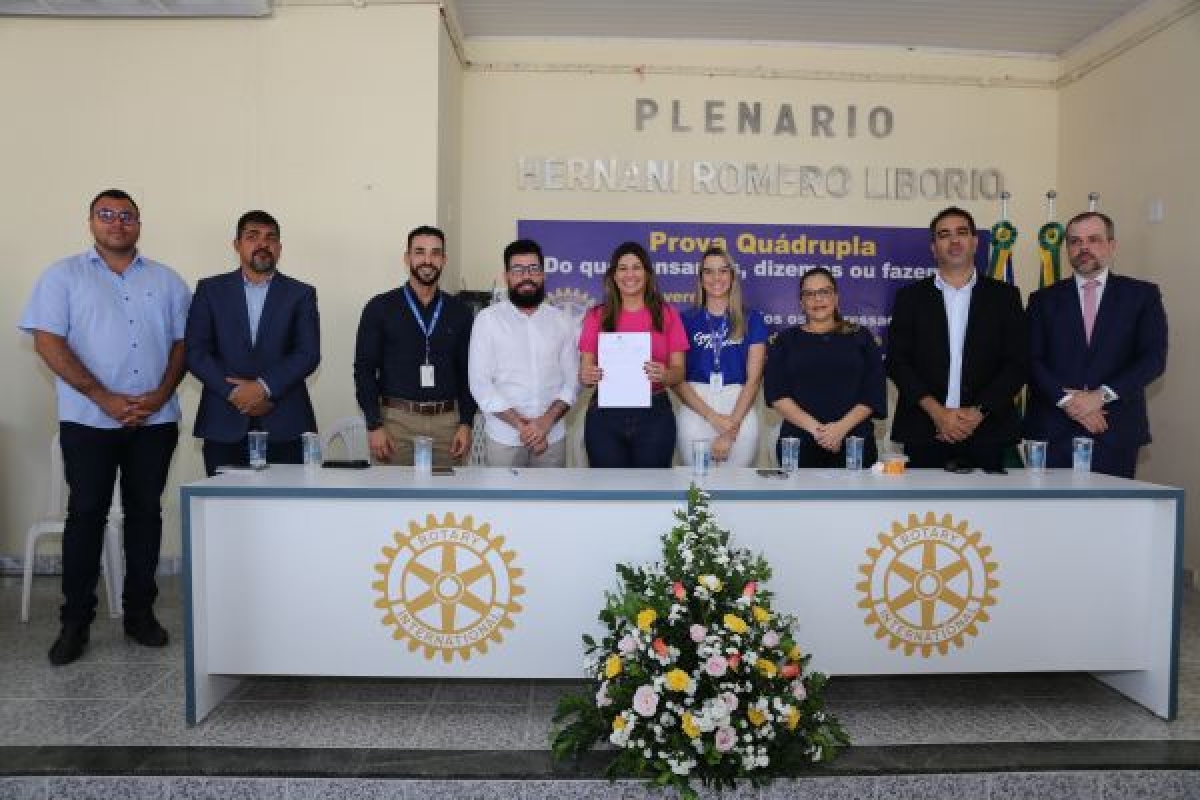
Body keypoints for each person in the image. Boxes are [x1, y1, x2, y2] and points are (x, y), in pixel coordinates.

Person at [19, 189, 191, 665]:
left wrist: (158, 395)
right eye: (107, 215)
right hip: (89, 420)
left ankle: (140, 614)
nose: (117, 223)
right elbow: (48, 344)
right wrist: (103, 397)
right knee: (87, 515)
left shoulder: (168, 280)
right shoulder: (63, 276)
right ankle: (75, 623)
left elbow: (183, 345)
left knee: (145, 515)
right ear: (91, 222)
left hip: (155, 421)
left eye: (127, 216)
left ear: (139, 223)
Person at [1024, 211, 1167, 478]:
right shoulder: (1042, 300)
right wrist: (1069, 402)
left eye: (1094, 239)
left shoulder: (1142, 296)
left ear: (1112, 245)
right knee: (1049, 518)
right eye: (1075, 241)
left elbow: (1153, 359)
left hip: (1114, 431)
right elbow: (1031, 360)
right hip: (1052, 433)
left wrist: (1099, 397)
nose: (1084, 248)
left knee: (1110, 516)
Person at [886, 207, 1028, 472]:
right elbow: (897, 361)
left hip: (987, 431)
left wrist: (976, 413)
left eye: (962, 233)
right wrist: (938, 413)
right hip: (924, 430)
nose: (954, 241)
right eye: (944, 235)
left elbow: (1017, 363)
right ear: (933, 247)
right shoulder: (910, 298)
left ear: (975, 242)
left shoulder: (1004, 297)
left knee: (988, 513)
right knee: (924, 513)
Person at [185, 211, 320, 476]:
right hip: (223, 422)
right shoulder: (210, 290)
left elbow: (307, 353)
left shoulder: (301, 293)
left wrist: (264, 388)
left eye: (271, 238)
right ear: (237, 244)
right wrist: (236, 393)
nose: (263, 243)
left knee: (285, 512)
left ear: (279, 248)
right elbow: (196, 352)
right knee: (224, 512)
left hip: (285, 422)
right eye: (252, 236)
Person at [354, 225, 476, 468]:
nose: (427, 260)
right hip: (395, 425)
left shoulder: (459, 311)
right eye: (419, 252)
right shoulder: (380, 308)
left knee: (445, 502)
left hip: (447, 428)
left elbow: (469, 373)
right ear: (407, 257)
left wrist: (466, 423)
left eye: (435, 253)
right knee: (393, 502)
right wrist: (374, 425)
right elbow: (364, 370)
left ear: (444, 260)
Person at [468, 239, 578, 467]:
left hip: (552, 437)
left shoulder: (562, 321)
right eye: (518, 270)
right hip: (503, 439)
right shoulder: (488, 320)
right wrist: (523, 426)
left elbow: (572, 382)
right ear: (506, 276)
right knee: (502, 504)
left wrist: (545, 423)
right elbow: (480, 385)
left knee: (551, 503)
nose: (526, 276)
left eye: (533, 269)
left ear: (543, 274)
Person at [578, 241, 688, 468]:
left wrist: (664, 375)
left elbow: (679, 372)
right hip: (605, 416)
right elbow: (584, 373)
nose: (630, 274)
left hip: (655, 414)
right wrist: (587, 375)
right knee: (608, 494)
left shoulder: (667, 314)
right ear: (614, 276)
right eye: (623, 268)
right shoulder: (596, 316)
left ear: (647, 274)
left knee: (653, 493)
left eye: (637, 267)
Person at [765, 267, 887, 468]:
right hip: (799, 445)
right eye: (809, 294)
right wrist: (820, 432)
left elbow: (873, 392)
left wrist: (840, 429)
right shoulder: (785, 341)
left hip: (854, 444)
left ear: (836, 297)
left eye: (824, 292)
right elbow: (777, 395)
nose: (817, 299)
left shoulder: (861, 336)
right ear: (801, 302)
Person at [673, 246, 767, 467]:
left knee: (738, 489)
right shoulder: (684, 320)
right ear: (700, 278)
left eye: (723, 271)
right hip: (697, 406)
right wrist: (713, 418)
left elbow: (754, 380)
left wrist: (730, 429)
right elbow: (677, 378)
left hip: (739, 406)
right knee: (697, 487)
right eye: (709, 271)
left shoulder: (752, 319)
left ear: (732, 276)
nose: (716, 278)